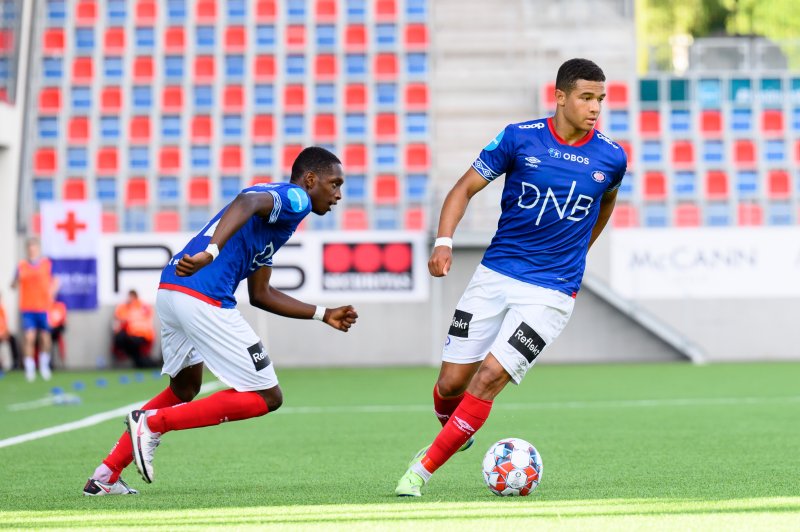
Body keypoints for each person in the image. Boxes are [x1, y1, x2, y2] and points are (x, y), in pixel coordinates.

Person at [394, 58, 627, 497]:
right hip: (496, 274)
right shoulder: (519, 138)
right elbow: (462, 189)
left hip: (553, 290)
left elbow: (605, 205)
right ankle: (455, 429)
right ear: (560, 97)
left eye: (601, 99)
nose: (595, 108)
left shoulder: (612, 157)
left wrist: (578, 252)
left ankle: (419, 471)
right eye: (586, 97)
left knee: (489, 377)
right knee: (450, 386)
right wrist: (444, 241)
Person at [83, 146, 358, 496]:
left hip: (172, 291)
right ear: (309, 179)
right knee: (267, 396)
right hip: (203, 296)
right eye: (334, 184)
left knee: (184, 389)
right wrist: (211, 252)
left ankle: (105, 475)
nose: (338, 194)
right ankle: (153, 423)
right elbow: (247, 201)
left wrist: (323, 313)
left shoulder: (278, 225)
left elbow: (262, 294)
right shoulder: (295, 198)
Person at [11, 237, 58, 382]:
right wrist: (16, 280)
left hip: (43, 308)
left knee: (45, 338)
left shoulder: (46, 264)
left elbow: (56, 281)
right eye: (30, 248)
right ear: (27, 249)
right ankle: (30, 368)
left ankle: (44, 365)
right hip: (28, 308)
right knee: (29, 337)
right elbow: (13, 285)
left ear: (38, 249)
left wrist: (51, 293)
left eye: (34, 247)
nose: (32, 250)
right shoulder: (21, 265)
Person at [113, 289, 157, 368]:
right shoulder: (128, 306)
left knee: (133, 348)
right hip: (134, 334)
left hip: (142, 335)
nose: (128, 299)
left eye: (130, 297)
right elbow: (119, 316)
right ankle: (142, 362)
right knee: (124, 341)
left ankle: (150, 363)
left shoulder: (141, 306)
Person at [0, 291, 21, 373]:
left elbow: (4, 324)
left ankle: (16, 363)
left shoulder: (2, 309)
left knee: (13, 338)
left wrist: (5, 333)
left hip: (2, 334)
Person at [48, 297, 68, 365]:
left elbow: (64, 321)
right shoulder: (47, 306)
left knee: (60, 342)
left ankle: (63, 362)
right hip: (49, 330)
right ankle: (49, 362)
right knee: (46, 341)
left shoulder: (60, 306)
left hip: (58, 330)